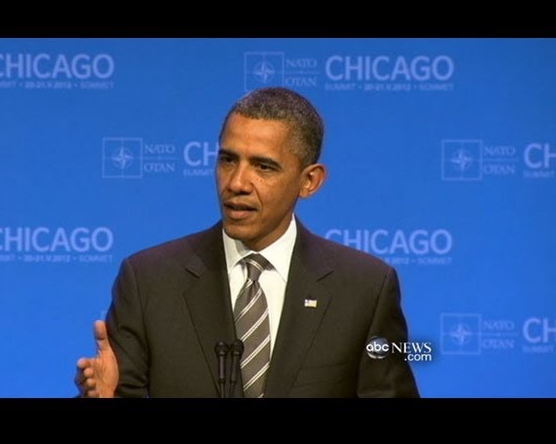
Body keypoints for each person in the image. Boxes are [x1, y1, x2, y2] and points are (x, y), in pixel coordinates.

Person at [75, 87, 419, 398]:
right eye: (228, 160)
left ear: (309, 181)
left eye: (263, 167)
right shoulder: (149, 280)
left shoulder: (364, 290)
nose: (237, 183)